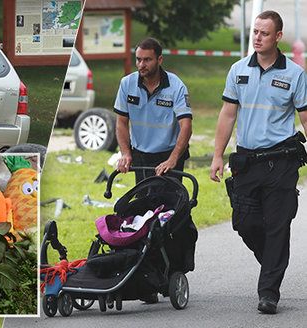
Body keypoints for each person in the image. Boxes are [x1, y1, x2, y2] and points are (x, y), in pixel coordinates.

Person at [210, 10, 307, 315]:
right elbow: (227, 115)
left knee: (278, 226)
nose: (257, 37)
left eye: (264, 33)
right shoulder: (238, 70)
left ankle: (268, 293)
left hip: (281, 163)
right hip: (247, 162)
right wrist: (216, 155)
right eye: (255, 32)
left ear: (278, 37)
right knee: (244, 222)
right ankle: (273, 263)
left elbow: (305, 117)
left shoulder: (295, 75)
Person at [114, 37, 193, 182]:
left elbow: (186, 126)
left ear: (160, 60)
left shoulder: (176, 86)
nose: (141, 64)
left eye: (147, 60)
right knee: (144, 201)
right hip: (141, 155)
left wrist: (173, 158)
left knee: (169, 202)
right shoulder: (127, 84)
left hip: (169, 154)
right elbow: (121, 122)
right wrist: (125, 153)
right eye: (138, 60)